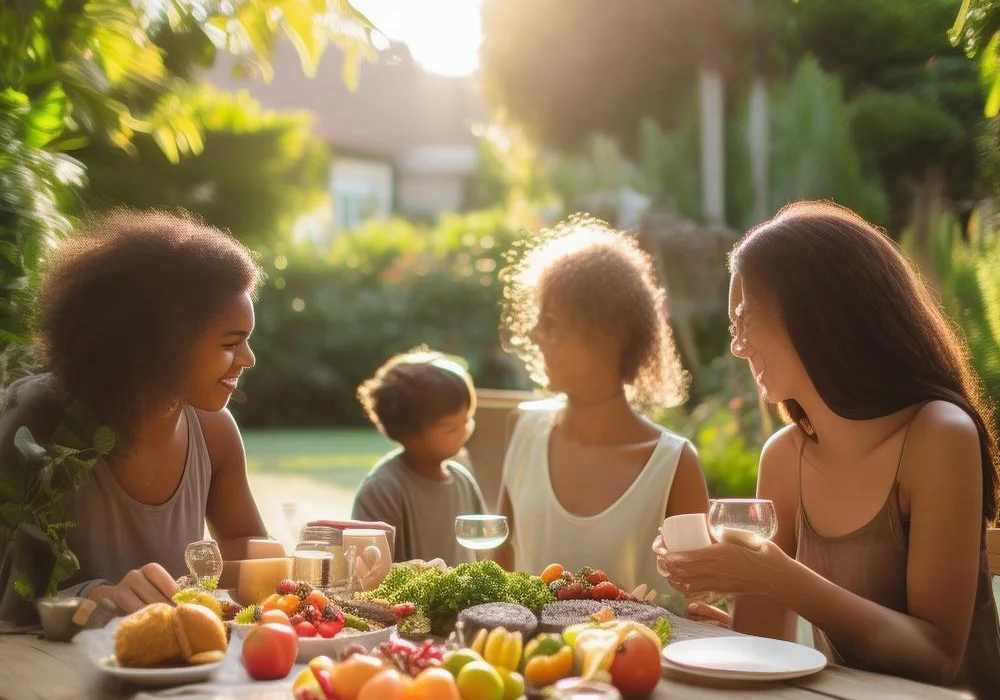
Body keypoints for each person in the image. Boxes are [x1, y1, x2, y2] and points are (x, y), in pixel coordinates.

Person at [653, 201, 1000, 696]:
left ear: (816, 313)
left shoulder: (939, 436)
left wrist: (778, 578)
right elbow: (767, 645)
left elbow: (937, 659)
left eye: (745, 318)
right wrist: (725, 627)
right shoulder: (783, 458)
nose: (738, 346)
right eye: (733, 326)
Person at [0, 209, 269, 618]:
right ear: (164, 342)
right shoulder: (42, 419)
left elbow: (245, 546)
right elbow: (10, 595)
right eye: (231, 343)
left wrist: (298, 563)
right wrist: (96, 598)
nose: (248, 359)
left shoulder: (215, 433)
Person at [492, 217, 709, 611]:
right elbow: (498, 579)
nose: (535, 334)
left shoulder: (673, 464)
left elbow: (697, 605)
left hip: (636, 652)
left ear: (611, 332)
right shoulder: (522, 429)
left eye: (551, 323)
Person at [352, 348, 486, 565]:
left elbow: (483, 553)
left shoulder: (463, 481)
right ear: (410, 435)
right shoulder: (382, 490)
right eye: (451, 428)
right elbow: (368, 568)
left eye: (468, 419)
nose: (465, 431)